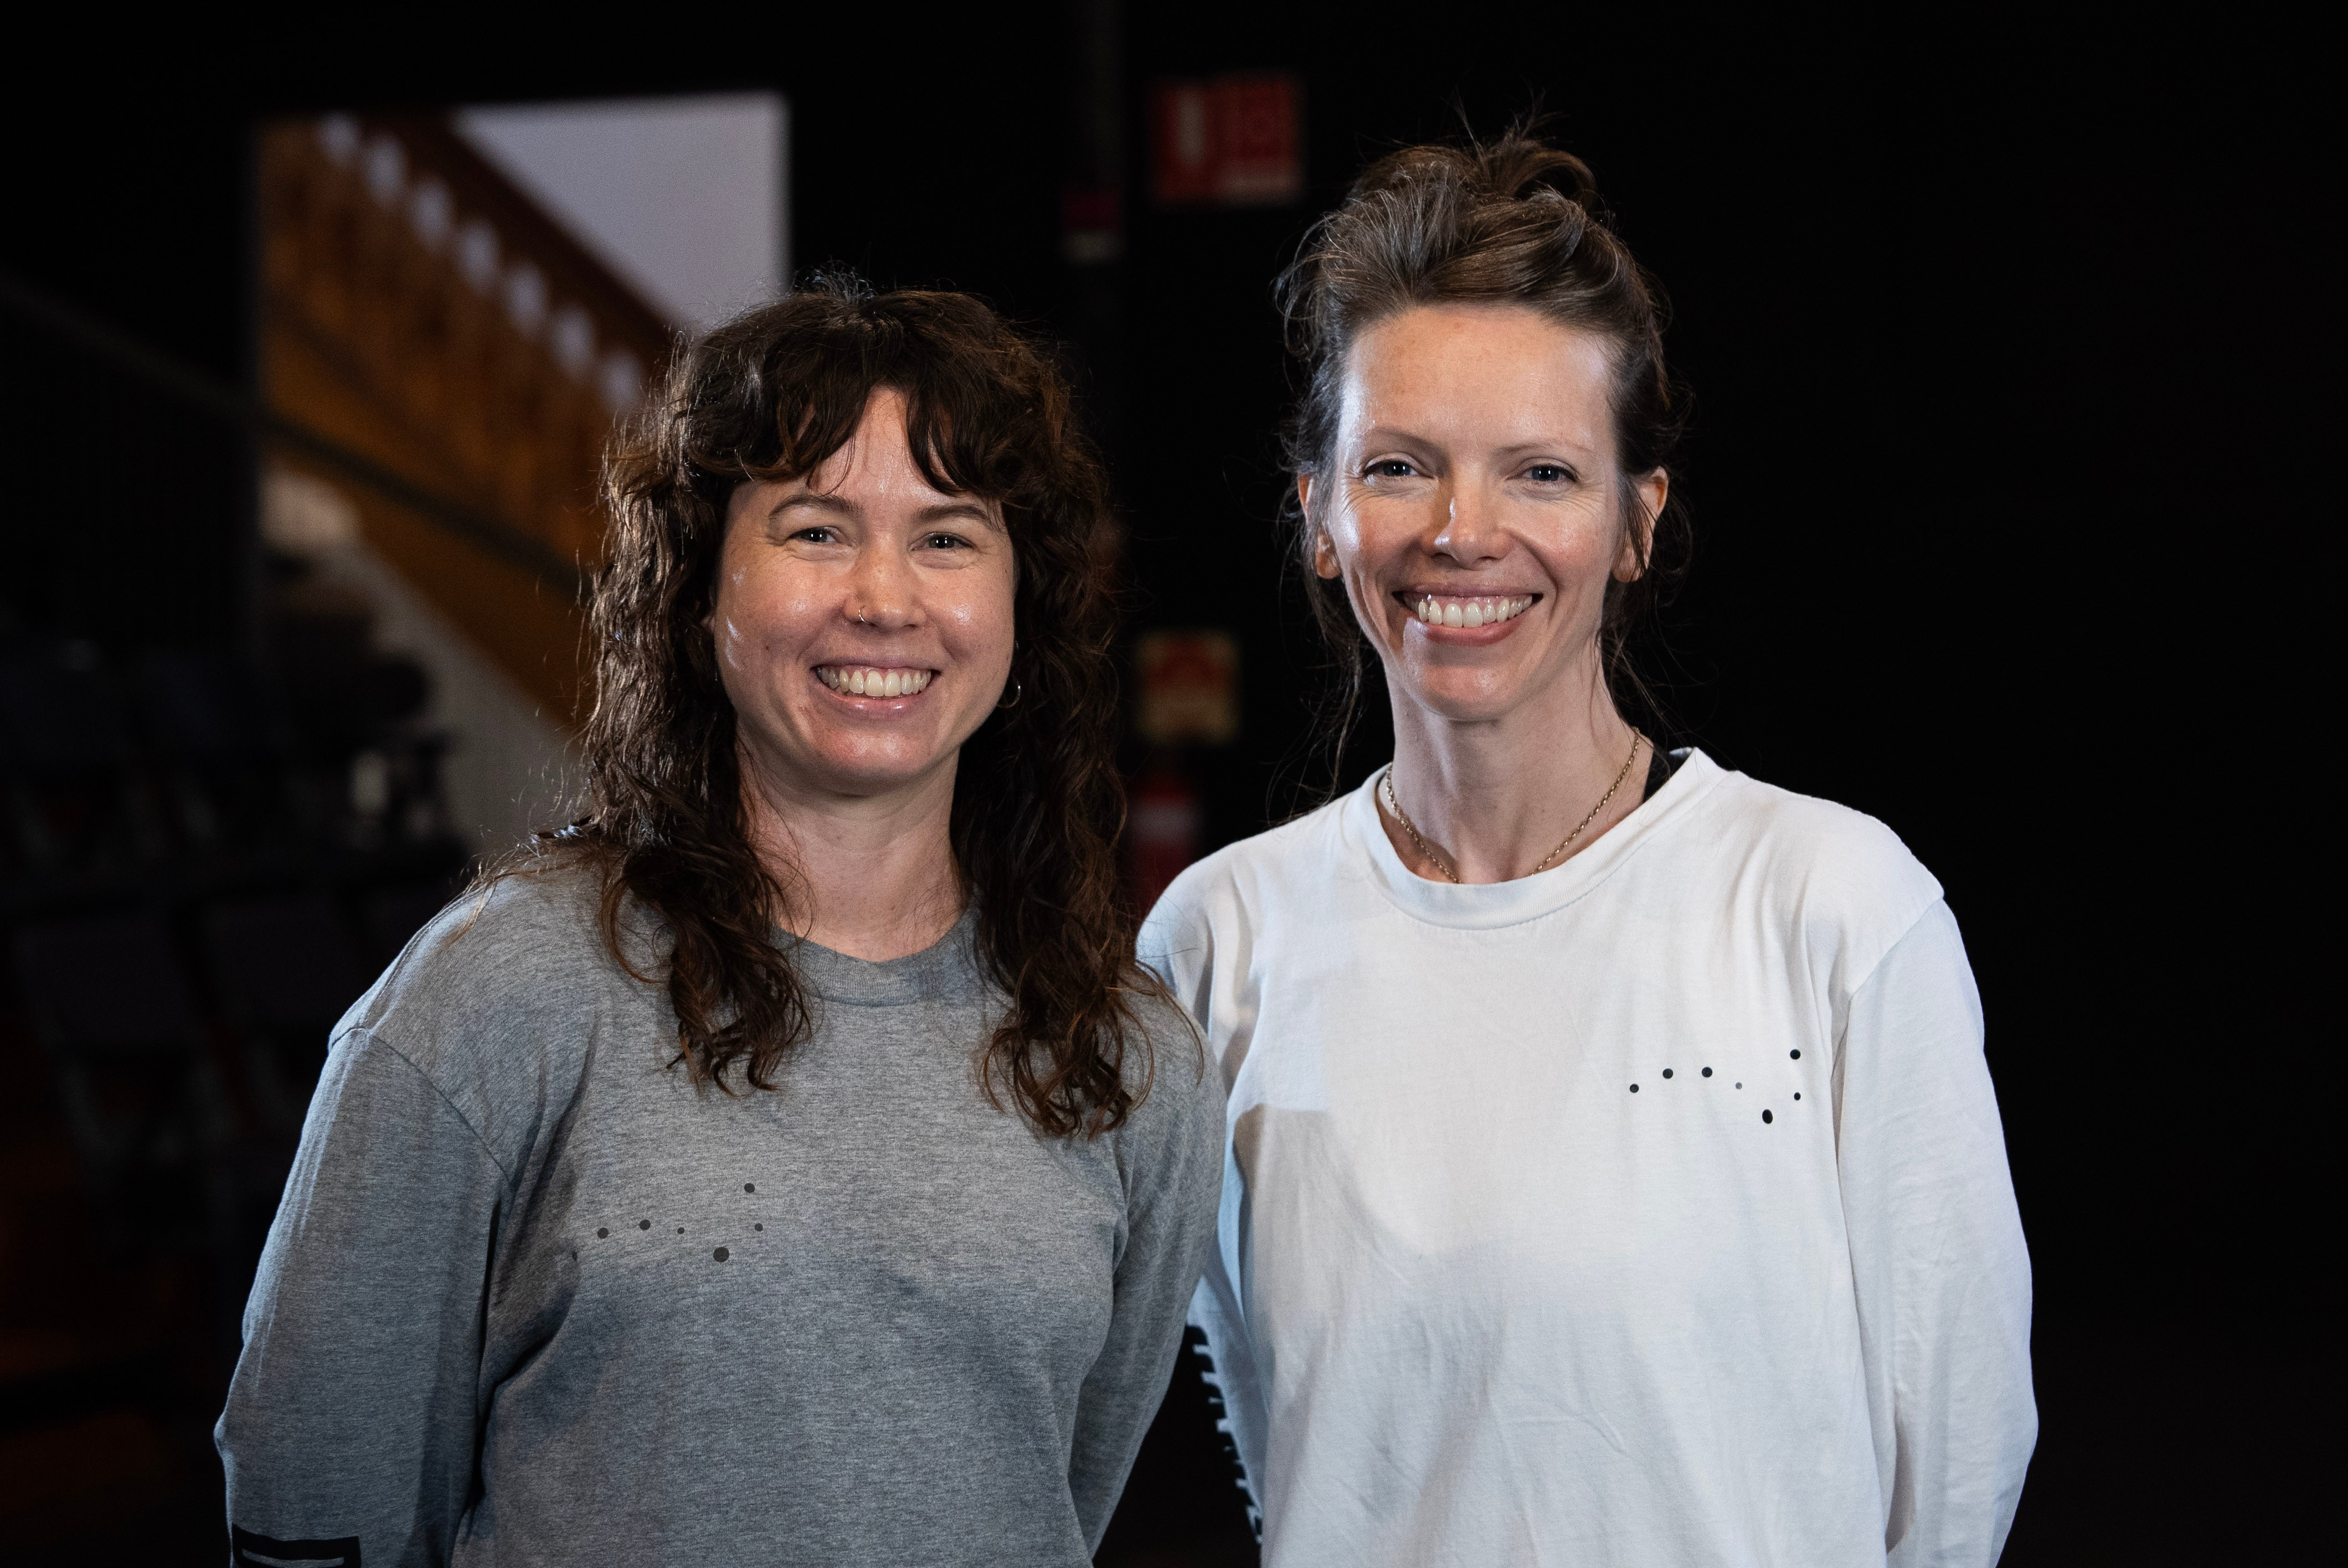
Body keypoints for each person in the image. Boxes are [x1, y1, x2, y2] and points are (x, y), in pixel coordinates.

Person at [218, 277, 1223, 1567]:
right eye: (813, 530)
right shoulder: (500, 998)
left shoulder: (1128, 1057)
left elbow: (1062, 1496)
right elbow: (315, 1491)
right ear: (701, 598)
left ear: (1020, 607)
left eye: (947, 537)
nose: (882, 597)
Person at [1141, 133, 2035, 1566]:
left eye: (1542, 471)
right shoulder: (1217, 941)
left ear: (1636, 521)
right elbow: (1259, 1428)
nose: (1463, 531)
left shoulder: (1834, 908)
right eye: (1399, 466)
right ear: (1320, 513)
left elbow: (1958, 1462)